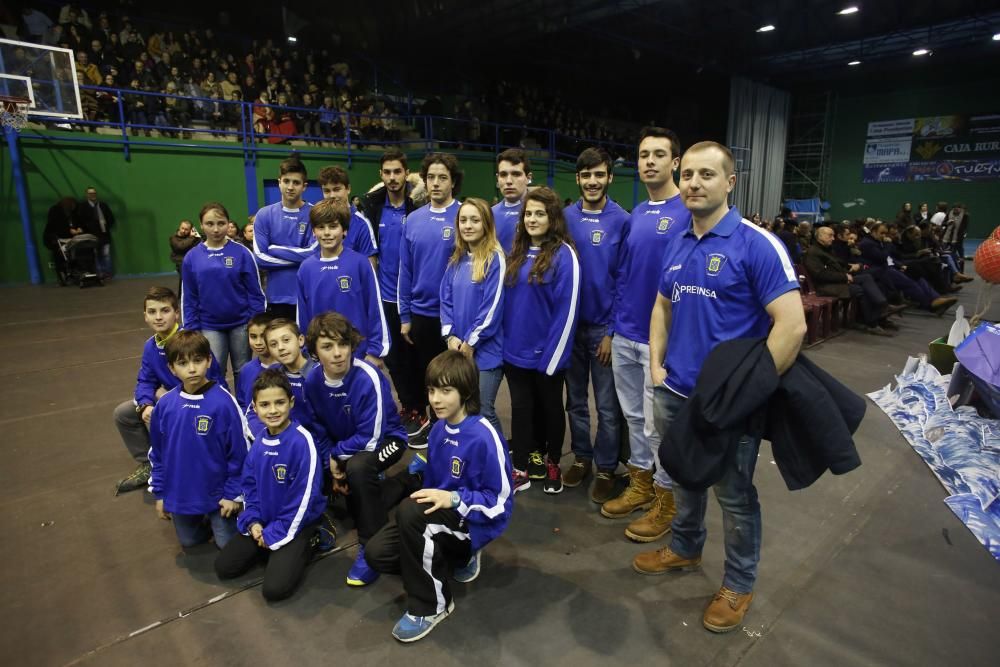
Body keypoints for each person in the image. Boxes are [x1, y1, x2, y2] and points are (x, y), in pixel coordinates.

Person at [633, 141, 807, 633]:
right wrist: (657, 365)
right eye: (687, 174)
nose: (693, 183)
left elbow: (791, 326)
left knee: (734, 496)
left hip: (729, 403)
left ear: (730, 183)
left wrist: (749, 388)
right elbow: (663, 305)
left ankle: (739, 582)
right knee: (684, 475)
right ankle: (685, 548)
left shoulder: (756, 244)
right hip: (675, 391)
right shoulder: (679, 240)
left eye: (706, 174)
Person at [365, 350, 513, 642]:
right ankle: (440, 559)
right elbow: (434, 482)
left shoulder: (484, 436)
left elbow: (500, 503)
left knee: (410, 513)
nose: (435, 399)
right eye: (432, 390)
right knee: (376, 553)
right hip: (441, 518)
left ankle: (433, 605)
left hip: (473, 522)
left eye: (446, 391)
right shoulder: (437, 430)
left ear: (466, 391)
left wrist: (456, 500)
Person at [603, 127, 690, 541]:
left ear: (675, 162)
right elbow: (623, 274)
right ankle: (640, 485)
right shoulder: (637, 214)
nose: (649, 161)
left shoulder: (689, 210)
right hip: (625, 335)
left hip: (664, 342)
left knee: (660, 428)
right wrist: (615, 325)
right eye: (643, 155)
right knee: (634, 419)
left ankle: (666, 499)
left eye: (659, 154)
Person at [302, 312, 407, 586]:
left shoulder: (368, 377)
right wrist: (330, 463)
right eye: (327, 346)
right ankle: (412, 479)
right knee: (355, 499)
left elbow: (371, 438)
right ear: (314, 351)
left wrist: (338, 459)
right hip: (342, 450)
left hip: (386, 441)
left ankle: (370, 547)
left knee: (360, 471)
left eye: (343, 344)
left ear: (351, 345)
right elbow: (318, 430)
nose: (337, 354)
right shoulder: (312, 382)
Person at [214, 370, 328, 600]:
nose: (273, 410)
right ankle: (272, 545)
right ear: (254, 408)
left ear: (291, 402)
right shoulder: (258, 445)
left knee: (275, 590)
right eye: (265, 405)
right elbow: (250, 488)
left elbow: (303, 498)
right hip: (265, 519)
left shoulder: (302, 442)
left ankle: (315, 538)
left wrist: (275, 533)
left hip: (298, 521)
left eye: (279, 403)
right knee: (224, 567)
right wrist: (253, 522)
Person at [503, 186, 580, 494]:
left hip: (548, 356)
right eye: (528, 214)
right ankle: (520, 467)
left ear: (553, 218)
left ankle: (552, 463)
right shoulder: (516, 253)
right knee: (520, 411)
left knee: (550, 410)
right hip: (514, 353)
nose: (533, 219)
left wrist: (551, 358)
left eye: (540, 213)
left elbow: (567, 310)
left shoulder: (565, 256)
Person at [113, 287, 226, 495]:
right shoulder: (150, 346)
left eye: (164, 310)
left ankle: (180, 471)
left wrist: (168, 397)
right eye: (152, 312)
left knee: (167, 417)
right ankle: (148, 464)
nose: (158, 317)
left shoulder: (191, 342)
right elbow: (145, 381)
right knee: (124, 413)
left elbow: (212, 382)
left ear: (176, 313)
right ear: (145, 316)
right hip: (168, 400)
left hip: (197, 404)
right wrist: (146, 403)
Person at [562, 147, 628, 501]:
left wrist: (612, 331)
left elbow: (624, 280)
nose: (592, 181)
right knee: (574, 401)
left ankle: (606, 467)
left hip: (603, 330)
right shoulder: (564, 218)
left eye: (599, 174)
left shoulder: (622, 220)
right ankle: (582, 458)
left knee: (606, 405)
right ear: (578, 178)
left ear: (609, 178)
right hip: (570, 330)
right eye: (586, 175)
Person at [149, 330, 248, 549]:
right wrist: (161, 492)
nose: (192, 369)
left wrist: (233, 494)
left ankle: (240, 515)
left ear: (209, 360)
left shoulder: (223, 403)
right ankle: (201, 519)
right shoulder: (165, 405)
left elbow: (240, 453)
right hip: (182, 490)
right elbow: (157, 452)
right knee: (189, 541)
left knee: (226, 545)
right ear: (171, 369)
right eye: (182, 363)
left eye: (198, 360)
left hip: (219, 493)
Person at [398, 153, 462, 446]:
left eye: (442, 177)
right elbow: (405, 270)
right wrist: (405, 317)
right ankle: (437, 430)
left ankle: (459, 432)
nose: (435, 183)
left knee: (457, 379)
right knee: (431, 377)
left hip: (456, 316)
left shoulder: (465, 216)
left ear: (453, 181)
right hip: (422, 315)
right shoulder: (412, 219)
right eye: (431, 178)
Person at [359, 150, 422, 428]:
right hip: (385, 296)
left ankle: (424, 407)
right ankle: (409, 406)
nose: (393, 178)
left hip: (414, 296)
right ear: (380, 175)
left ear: (406, 173)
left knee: (417, 357)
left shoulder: (418, 205)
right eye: (387, 172)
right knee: (394, 359)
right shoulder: (373, 206)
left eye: (398, 171)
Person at [440, 198, 506, 434]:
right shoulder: (456, 260)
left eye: (475, 220)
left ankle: (500, 459)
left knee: (483, 410)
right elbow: (445, 300)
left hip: (486, 353)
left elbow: (492, 308)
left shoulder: (494, 259)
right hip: (459, 349)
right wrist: (450, 336)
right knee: (463, 409)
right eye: (463, 220)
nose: (468, 225)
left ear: (486, 224)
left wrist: (470, 342)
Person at [295, 199, 388, 366]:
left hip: (359, 355)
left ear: (344, 230)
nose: (327, 233)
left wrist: (375, 351)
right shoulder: (306, 268)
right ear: (314, 232)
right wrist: (306, 352)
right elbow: (302, 316)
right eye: (321, 227)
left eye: (333, 226)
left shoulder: (360, 263)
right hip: (321, 357)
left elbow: (375, 308)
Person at [182, 202, 266, 385]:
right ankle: (222, 411)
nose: (216, 229)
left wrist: (255, 321)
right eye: (210, 224)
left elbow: (255, 292)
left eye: (221, 223)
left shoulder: (242, 253)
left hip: (242, 324)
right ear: (201, 225)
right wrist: (191, 328)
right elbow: (189, 297)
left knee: (243, 370)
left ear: (228, 224)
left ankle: (244, 409)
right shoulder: (191, 257)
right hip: (209, 325)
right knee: (214, 371)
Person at [252, 156, 316, 320]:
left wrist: (275, 249)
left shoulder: (315, 214)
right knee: (280, 345)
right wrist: (298, 259)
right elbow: (260, 258)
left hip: (308, 293)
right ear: (279, 182)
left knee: (308, 344)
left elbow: (315, 254)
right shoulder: (264, 214)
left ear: (304, 186)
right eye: (286, 181)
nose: (290, 187)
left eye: (296, 182)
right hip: (276, 296)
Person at [805, 227, 891, 336]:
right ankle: (874, 319)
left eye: (833, 235)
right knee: (861, 290)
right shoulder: (813, 252)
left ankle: (880, 306)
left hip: (837, 281)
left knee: (867, 277)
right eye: (830, 235)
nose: (833, 238)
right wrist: (844, 277)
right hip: (826, 286)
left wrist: (849, 267)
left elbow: (837, 263)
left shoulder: (825, 249)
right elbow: (820, 275)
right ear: (820, 236)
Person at [245, 319, 316, 439]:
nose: (281, 347)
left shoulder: (319, 374)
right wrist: (270, 437)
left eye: (286, 340)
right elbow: (252, 412)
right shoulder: (271, 374)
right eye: (273, 344)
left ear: (300, 340)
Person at [316, 166, 379, 264]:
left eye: (337, 189)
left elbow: (370, 267)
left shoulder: (361, 224)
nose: (332, 195)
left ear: (348, 189)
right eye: (327, 191)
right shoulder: (318, 221)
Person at [491, 148, 533, 254]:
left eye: (516, 174)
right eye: (503, 175)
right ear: (497, 178)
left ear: (528, 178)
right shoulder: (489, 214)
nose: (509, 181)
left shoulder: (543, 212)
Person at [236, 312, 277, 414]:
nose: (258, 342)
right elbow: (242, 404)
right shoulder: (246, 370)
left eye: (263, 336)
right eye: (253, 336)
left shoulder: (286, 367)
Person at [43, 197, 84, 285]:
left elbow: (77, 222)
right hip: (57, 239)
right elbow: (54, 225)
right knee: (60, 258)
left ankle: (71, 274)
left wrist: (79, 228)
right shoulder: (55, 211)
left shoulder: (73, 212)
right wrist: (69, 230)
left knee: (72, 256)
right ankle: (62, 276)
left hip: (69, 239)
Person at [78, 186, 116, 278]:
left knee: (106, 254)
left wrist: (106, 227)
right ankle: (99, 273)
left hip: (104, 235)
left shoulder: (103, 205)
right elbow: (81, 220)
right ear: (87, 195)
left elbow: (110, 218)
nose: (93, 195)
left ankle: (107, 273)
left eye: (94, 193)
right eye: (90, 193)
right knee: (95, 255)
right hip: (92, 236)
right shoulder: (83, 207)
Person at [169, 220, 200, 295]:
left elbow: (201, 243)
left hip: (192, 261)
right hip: (181, 261)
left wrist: (197, 235)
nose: (183, 231)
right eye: (182, 228)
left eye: (186, 229)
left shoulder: (192, 237)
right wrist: (192, 237)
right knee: (186, 277)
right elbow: (181, 247)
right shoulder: (173, 238)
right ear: (179, 227)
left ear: (190, 230)